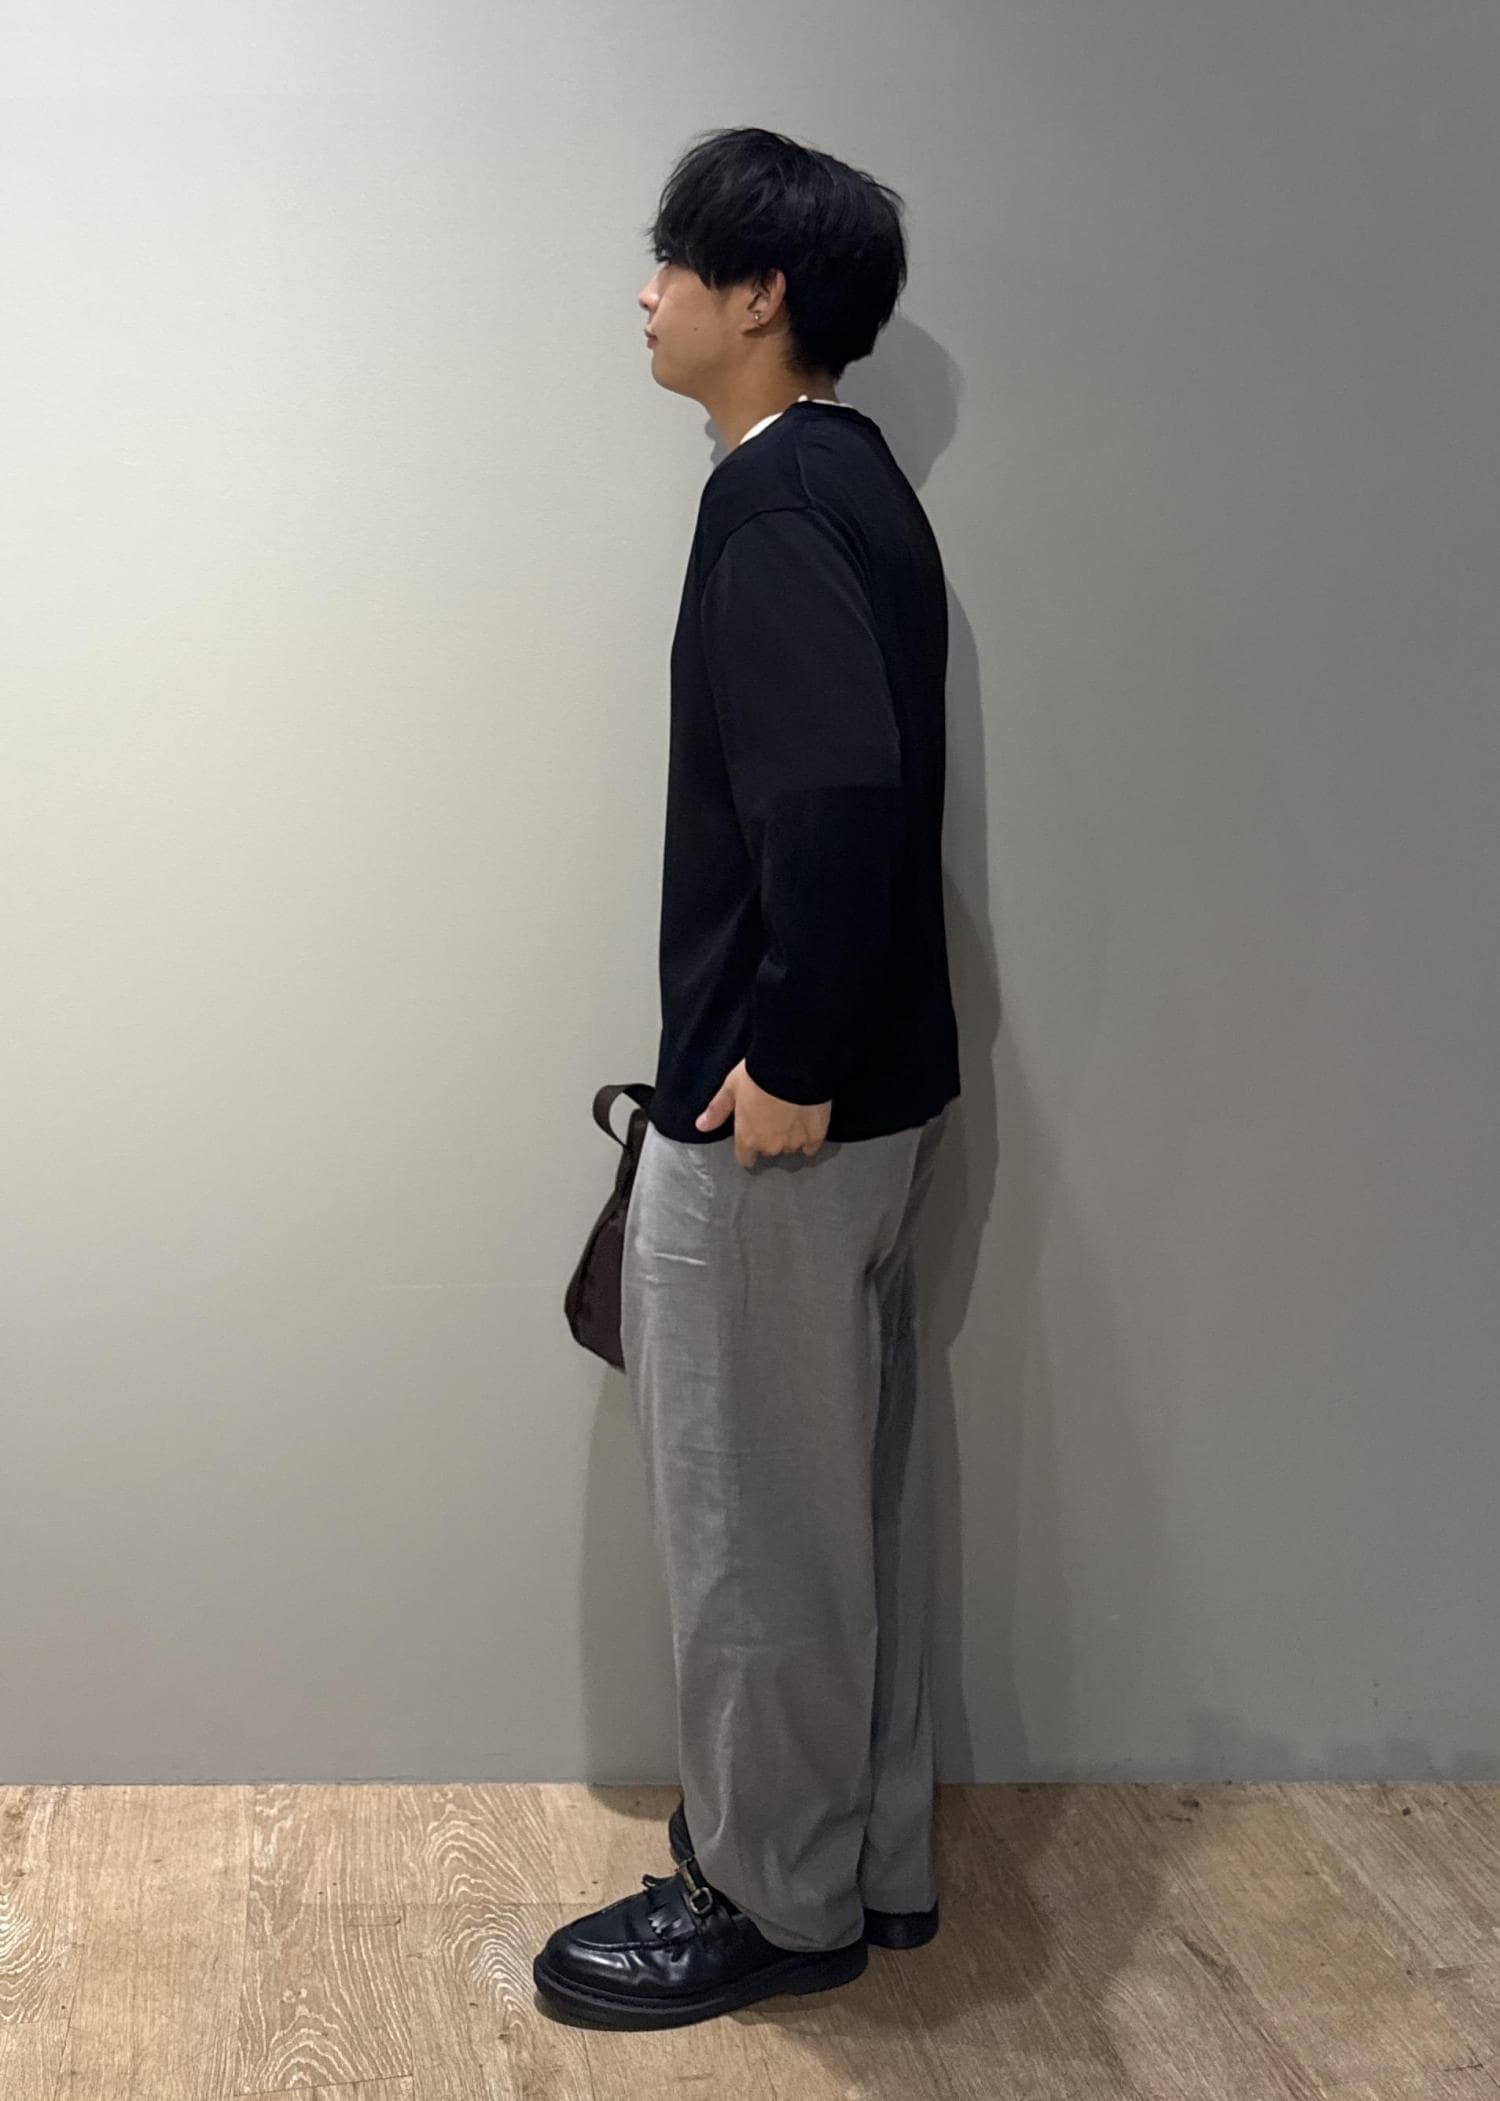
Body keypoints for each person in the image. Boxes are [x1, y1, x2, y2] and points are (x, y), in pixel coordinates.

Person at [532, 124, 961, 2032]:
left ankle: (775, 1900)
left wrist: (783, 1055)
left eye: (673, 263)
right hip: (872, 1113)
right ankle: (866, 1862)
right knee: (837, 1510)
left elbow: (840, 793)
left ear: (760, 293)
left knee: (753, 1532)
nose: (645, 293)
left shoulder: (776, 497)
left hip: (777, 1121)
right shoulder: (855, 485)